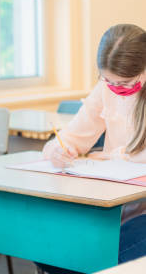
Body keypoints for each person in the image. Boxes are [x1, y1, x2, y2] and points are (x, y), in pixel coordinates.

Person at [40, 24, 146, 273]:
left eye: (125, 83)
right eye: (108, 80)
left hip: (139, 209)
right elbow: (72, 136)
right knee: (49, 251)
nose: (116, 88)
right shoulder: (105, 90)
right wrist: (58, 150)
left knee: (99, 259)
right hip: (113, 204)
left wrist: (112, 157)